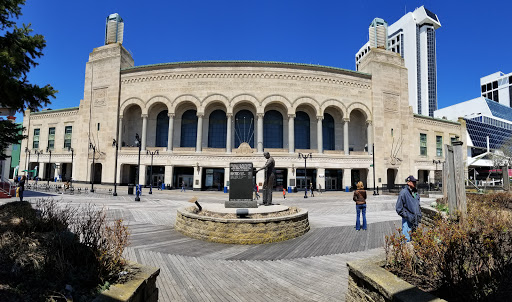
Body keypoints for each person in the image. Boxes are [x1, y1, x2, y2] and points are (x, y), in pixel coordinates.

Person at [396, 175, 422, 242]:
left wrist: (419, 215)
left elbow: (417, 206)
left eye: (415, 182)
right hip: (407, 220)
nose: (415, 183)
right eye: (413, 182)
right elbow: (399, 208)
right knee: (406, 240)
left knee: (414, 240)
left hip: (415, 220)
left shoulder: (416, 193)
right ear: (408, 182)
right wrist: (407, 216)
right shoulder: (403, 193)